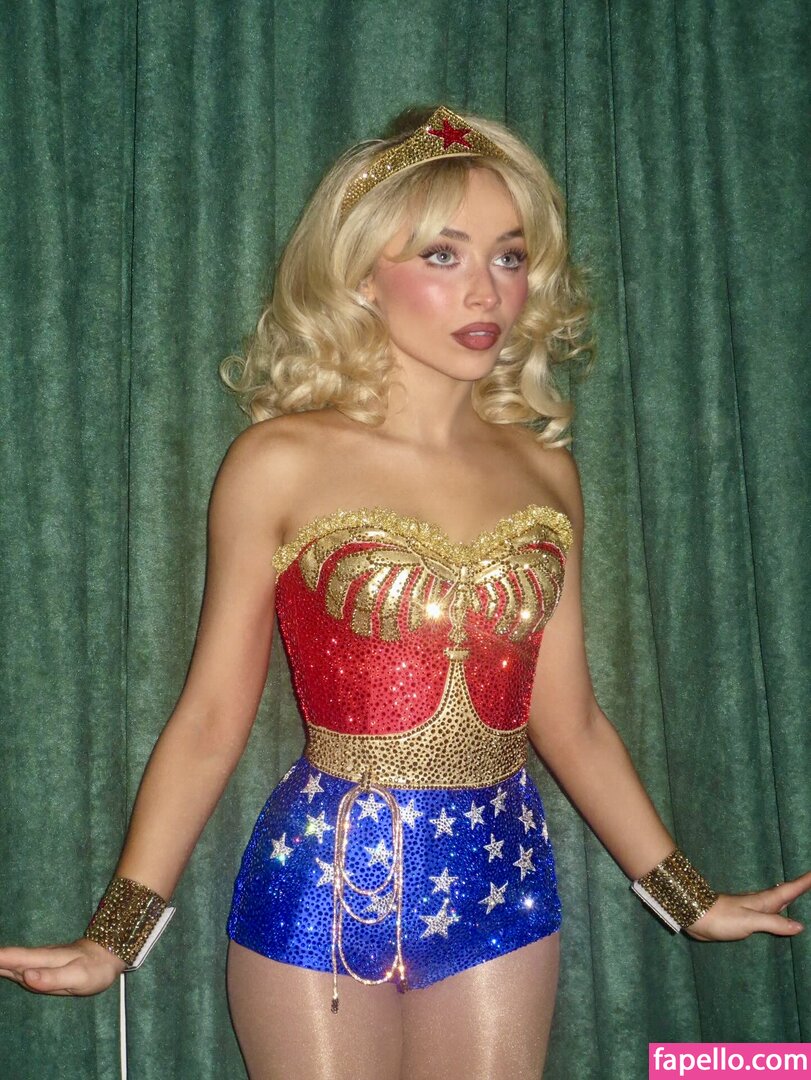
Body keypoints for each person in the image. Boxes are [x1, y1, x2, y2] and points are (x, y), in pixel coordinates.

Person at [0, 106, 808, 1080]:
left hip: (502, 877)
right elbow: (211, 720)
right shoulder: (278, 462)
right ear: (358, 277)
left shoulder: (546, 474)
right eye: (441, 254)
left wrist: (688, 898)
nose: (486, 290)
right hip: (324, 881)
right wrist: (114, 937)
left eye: (509, 257)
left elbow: (573, 723)